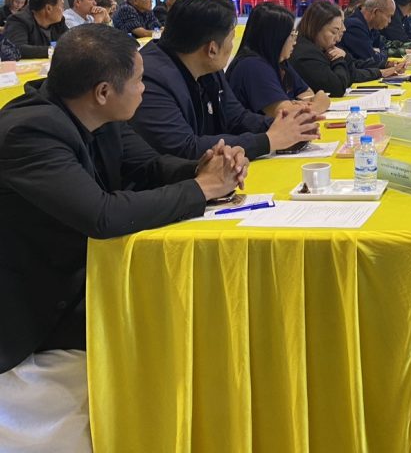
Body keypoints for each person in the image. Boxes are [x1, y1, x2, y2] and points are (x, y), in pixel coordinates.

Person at [0, 25, 247, 372]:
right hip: (39, 304)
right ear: (103, 91)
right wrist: (204, 187)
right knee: (182, 325)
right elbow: (102, 215)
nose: (144, 88)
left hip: (90, 274)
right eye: (139, 80)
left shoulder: (95, 113)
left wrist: (203, 168)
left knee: (204, 300)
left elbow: (149, 167)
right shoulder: (30, 132)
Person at [131, 0, 320, 160]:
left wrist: (288, 127)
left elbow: (236, 118)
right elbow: (184, 148)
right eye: (231, 39)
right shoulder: (149, 79)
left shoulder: (207, 67)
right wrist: (268, 140)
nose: (232, 46)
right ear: (212, 49)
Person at [226, 3, 325, 116]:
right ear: (275, 37)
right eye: (291, 35)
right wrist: (318, 105)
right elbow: (286, 114)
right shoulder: (252, 66)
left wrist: (298, 106)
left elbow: (307, 92)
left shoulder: (280, 62)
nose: (295, 42)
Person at [292, 0, 405, 96]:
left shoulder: (323, 48)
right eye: (334, 31)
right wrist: (338, 60)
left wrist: (380, 72)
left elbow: (352, 73)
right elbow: (337, 87)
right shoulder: (306, 54)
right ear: (315, 28)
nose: (339, 35)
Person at [341, 0, 406, 70]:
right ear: (375, 12)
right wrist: (377, 53)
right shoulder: (354, 26)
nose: (389, 21)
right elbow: (372, 60)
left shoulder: (371, 26)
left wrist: (378, 53)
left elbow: (384, 49)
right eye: (388, 16)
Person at [3, 0, 68, 58]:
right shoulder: (18, 20)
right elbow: (17, 48)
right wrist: (54, 50)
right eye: (62, 6)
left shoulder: (58, 21)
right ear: (48, 8)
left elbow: (71, 40)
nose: (63, 10)